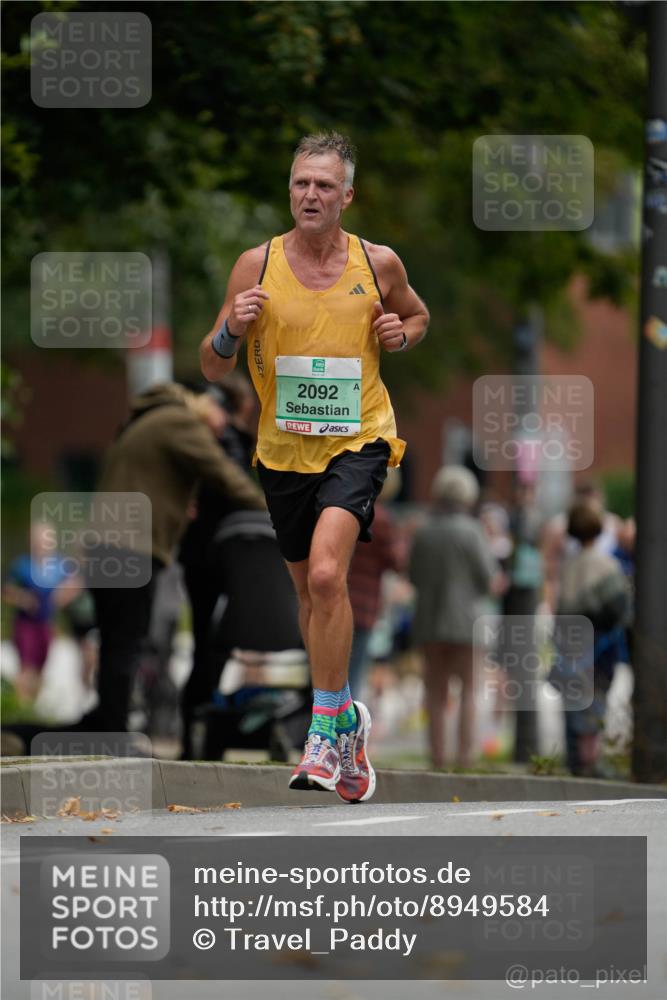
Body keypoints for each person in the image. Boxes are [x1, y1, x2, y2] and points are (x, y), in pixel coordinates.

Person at [200, 131, 429, 802]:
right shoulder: (257, 265)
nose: (310, 194)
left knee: (329, 575)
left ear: (346, 196)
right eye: (301, 183)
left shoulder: (377, 263)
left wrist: (399, 336)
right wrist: (232, 329)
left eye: (324, 185)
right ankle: (348, 719)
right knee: (310, 597)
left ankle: (323, 731)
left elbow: (416, 316)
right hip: (282, 450)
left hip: (359, 439)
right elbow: (211, 365)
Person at [409, 466, 501, 770]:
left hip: (430, 619)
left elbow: (413, 575)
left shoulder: (423, 531)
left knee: (435, 692)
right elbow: (488, 577)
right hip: (467, 621)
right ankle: (464, 756)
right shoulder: (473, 531)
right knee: (469, 691)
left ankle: (437, 757)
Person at [553, 502, 631, 777]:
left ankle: (575, 760)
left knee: (573, 704)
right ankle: (590, 761)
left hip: (569, 644)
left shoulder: (568, 566)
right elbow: (622, 611)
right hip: (599, 647)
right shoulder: (607, 565)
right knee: (594, 703)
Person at [3, 521, 82, 703]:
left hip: (46, 623)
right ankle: (21, 705)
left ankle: (32, 704)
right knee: (26, 666)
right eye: (38, 539)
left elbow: (76, 583)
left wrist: (61, 596)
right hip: (25, 624)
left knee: (41, 666)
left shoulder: (60, 564)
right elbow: (6, 591)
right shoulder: (22, 565)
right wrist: (23, 598)